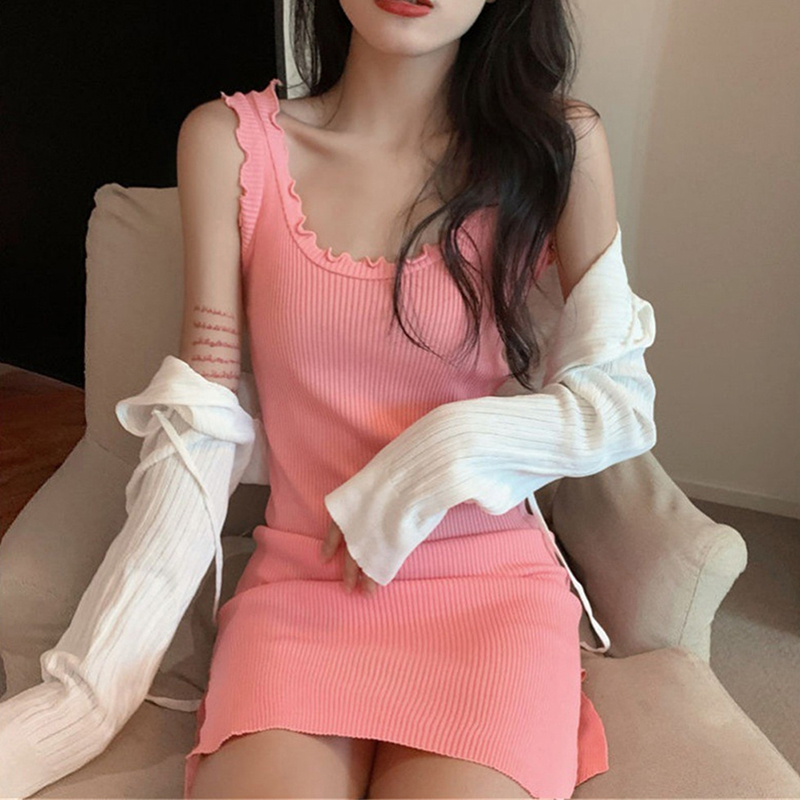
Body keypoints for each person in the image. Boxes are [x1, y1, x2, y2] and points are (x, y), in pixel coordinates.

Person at [180, 0, 648, 798]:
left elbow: (619, 405)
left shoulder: (559, 146)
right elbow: (195, 425)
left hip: (486, 595)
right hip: (304, 588)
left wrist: (435, 457)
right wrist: (95, 676)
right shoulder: (228, 142)